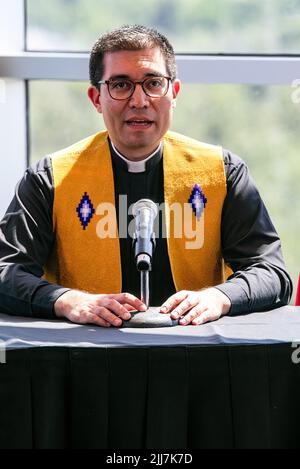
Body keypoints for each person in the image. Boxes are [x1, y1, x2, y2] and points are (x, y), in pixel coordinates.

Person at [0, 25, 292, 327]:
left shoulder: (223, 171)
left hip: (196, 356)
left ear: (174, 93)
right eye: (121, 85)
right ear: (96, 98)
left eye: (153, 83)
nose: (139, 101)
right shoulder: (50, 178)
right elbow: (5, 270)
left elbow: (271, 273)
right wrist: (68, 300)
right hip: (84, 357)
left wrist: (218, 297)